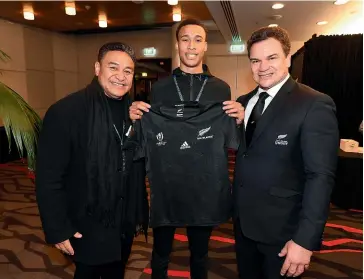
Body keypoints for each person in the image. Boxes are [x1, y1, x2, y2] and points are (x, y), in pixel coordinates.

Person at [129, 18, 244, 279]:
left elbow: (233, 138)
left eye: (198, 40)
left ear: (205, 47)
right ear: (178, 45)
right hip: (167, 184)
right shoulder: (160, 88)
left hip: (204, 185)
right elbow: (153, 128)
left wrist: (238, 119)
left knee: (200, 253)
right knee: (160, 252)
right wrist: (136, 116)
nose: (191, 46)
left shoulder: (221, 88)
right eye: (185, 39)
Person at [233, 26, 339, 279]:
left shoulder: (314, 104)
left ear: (288, 58)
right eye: (255, 60)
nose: (262, 67)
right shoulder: (244, 102)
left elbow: (320, 176)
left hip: (283, 232)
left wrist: (304, 241)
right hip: (243, 226)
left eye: (272, 58)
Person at [36, 42, 148, 279]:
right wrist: (57, 228)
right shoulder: (66, 112)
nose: (121, 76)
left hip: (122, 223)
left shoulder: (133, 112)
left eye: (128, 71)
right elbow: (48, 177)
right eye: (113, 68)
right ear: (97, 68)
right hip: (86, 224)